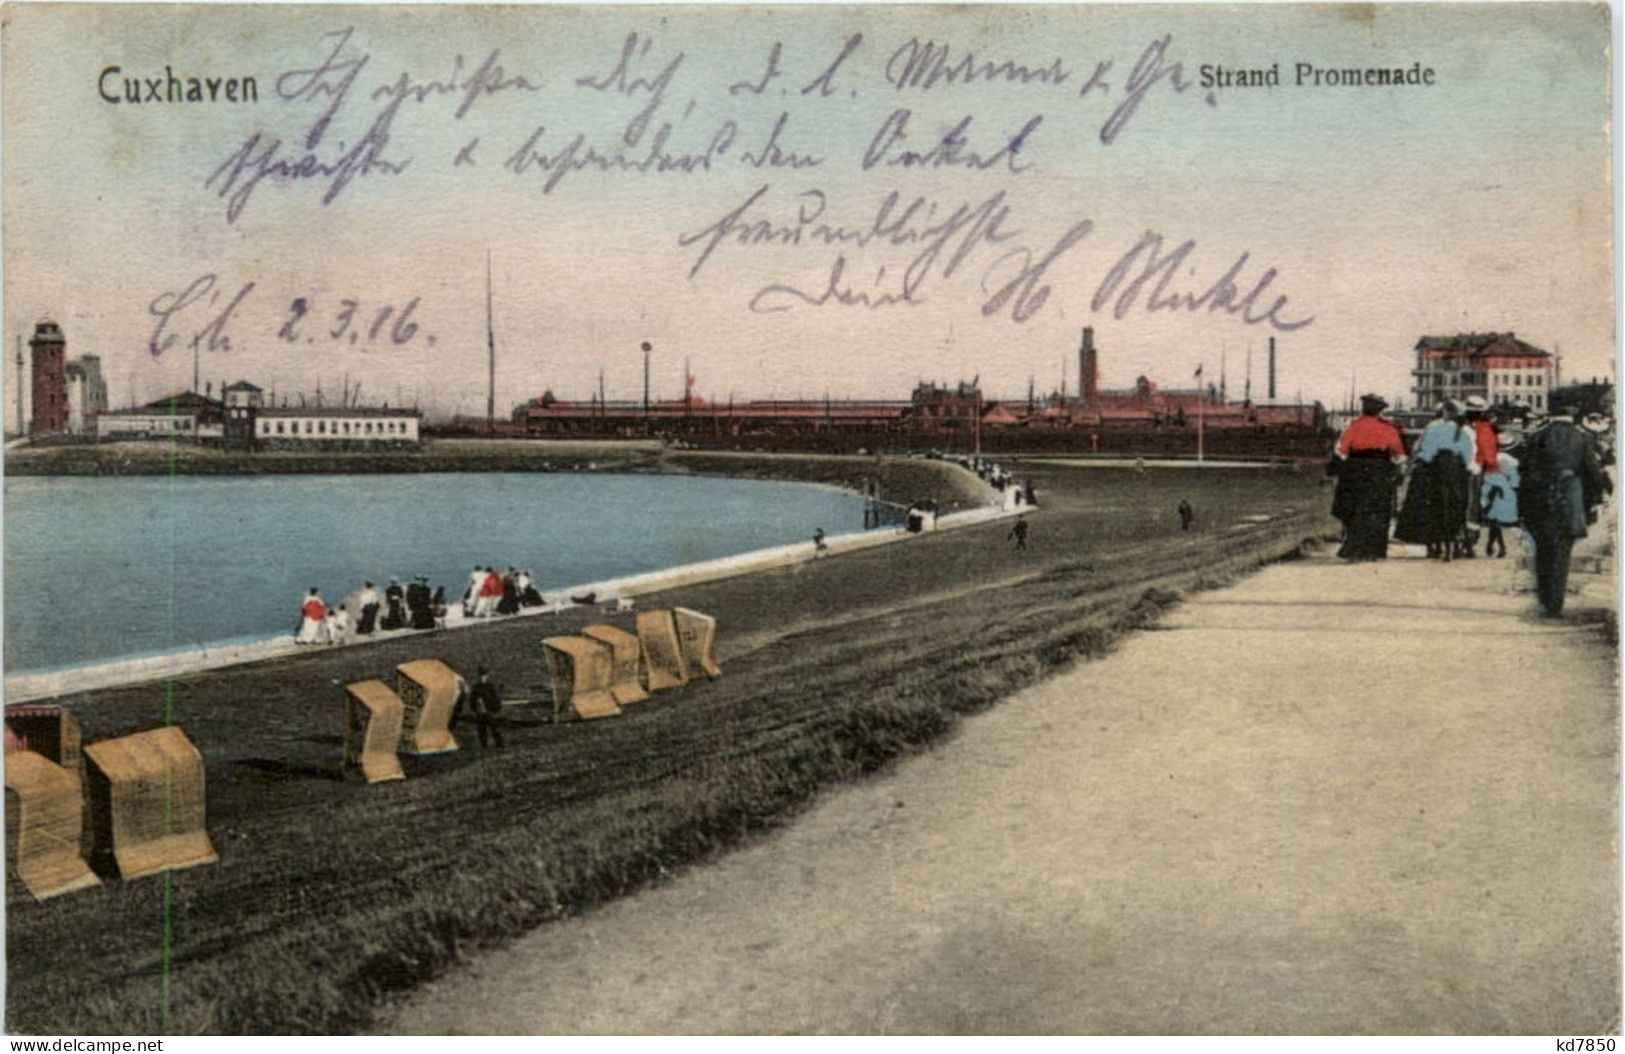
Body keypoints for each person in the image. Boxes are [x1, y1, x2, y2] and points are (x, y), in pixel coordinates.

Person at [1518, 404, 1611, 616]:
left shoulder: (1537, 437)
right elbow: (1592, 473)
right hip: (1569, 496)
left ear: (1550, 415)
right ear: (1572, 415)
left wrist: (1525, 504)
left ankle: (1545, 597)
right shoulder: (1582, 438)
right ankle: (1555, 602)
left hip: (1540, 497)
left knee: (1543, 546)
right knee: (1562, 549)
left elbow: (1524, 471)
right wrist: (1594, 498)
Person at [1328, 394, 1408, 561]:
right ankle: (1373, 550)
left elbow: (1340, 452)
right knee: (1378, 510)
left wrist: (1333, 471)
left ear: (1363, 408)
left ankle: (1353, 548)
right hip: (1380, 472)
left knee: (1355, 508)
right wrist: (1399, 473)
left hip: (1355, 471)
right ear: (1380, 410)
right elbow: (1399, 455)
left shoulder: (1353, 427)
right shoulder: (1389, 429)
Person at [1395, 399, 1477, 560]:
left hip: (1437, 470)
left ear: (1445, 413)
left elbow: (1427, 453)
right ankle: (1455, 541)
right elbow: (1469, 457)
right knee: (1457, 504)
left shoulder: (1435, 428)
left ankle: (1435, 543)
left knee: (1435, 504)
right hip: (1457, 472)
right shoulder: (1465, 431)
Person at [1480, 430, 1522, 559]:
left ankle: (1494, 544)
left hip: (1492, 490)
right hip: (1506, 492)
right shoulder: (1512, 462)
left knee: (1494, 520)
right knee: (1496, 520)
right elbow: (1515, 480)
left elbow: (1487, 477)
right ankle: (1496, 545)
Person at [469, 666, 505, 748]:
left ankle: (499, 744)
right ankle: (484, 745)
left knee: (494, 728)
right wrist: (475, 707)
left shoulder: (489, 686)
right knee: (482, 730)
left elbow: (495, 698)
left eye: (484, 675)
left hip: (489, 711)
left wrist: (496, 707)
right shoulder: (477, 687)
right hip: (481, 712)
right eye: (482, 675)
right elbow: (472, 700)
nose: (483, 677)